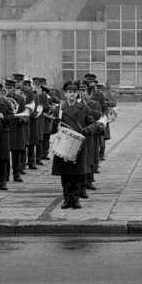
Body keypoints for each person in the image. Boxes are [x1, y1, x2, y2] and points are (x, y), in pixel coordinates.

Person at [51, 80, 97, 209]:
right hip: (63, 145)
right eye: (69, 92)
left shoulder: (84, 108)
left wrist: (86, 131)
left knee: (77, 174)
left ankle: (76, 199)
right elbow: (52, 130)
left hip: (79, 145)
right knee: (65, 174)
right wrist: (55, 124)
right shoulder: (59, 109)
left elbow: (93, 124)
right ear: (65, 94)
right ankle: (66, 199)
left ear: (77, 94)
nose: (72, 94)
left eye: (74, 92)